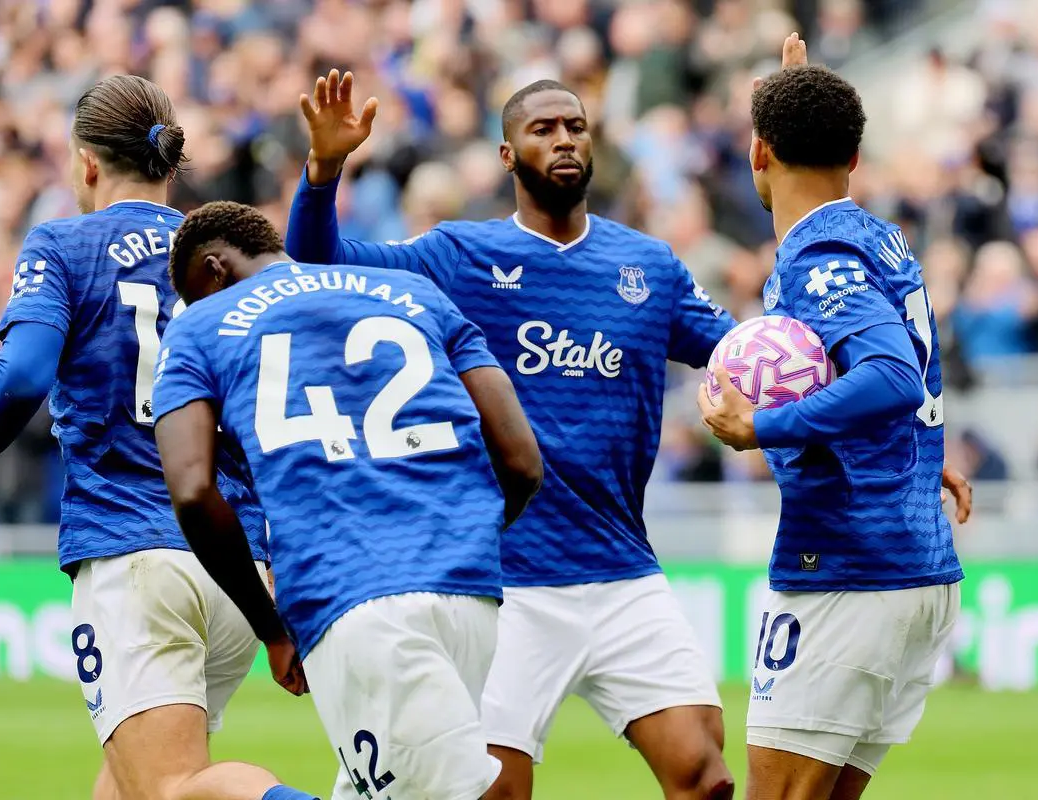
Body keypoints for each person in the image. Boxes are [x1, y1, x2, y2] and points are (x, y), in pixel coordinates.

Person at [285, 69, 737, 800]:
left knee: (704, 775)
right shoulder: (458, 258)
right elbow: (318, 265)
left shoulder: (647, 266)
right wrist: (325, 169)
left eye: (575, 126)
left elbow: (745, 357)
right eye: (543, 129)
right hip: (509, 583)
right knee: (496, 792)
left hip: (624, 570)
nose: (564, 139)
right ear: (507, 156)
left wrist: (879, 422)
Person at [0, 76, 315, 800]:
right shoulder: (222, 257)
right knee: (127, 789)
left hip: (136, 556)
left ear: (87, 163)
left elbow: (25, 372)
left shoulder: (65, 244)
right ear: (169, 164)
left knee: (169, 786)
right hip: (238, 563)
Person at [152, 200, 543, 800]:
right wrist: (461, 538)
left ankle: (239, 792)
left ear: (214, 269)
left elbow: (192, 488)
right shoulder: (413, 291)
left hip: (355, 594)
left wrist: (270, 628)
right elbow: (522, 463)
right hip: (472, 595)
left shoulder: (200, 326)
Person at [697, 46, 974, 800]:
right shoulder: (877, 236)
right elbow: (902, 376)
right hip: (912, 563)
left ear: (759, 151)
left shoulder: (820, 256)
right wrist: (922, 454)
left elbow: (889, 374)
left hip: (847, 569)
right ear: (854, 155)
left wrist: (766, 425)